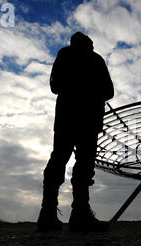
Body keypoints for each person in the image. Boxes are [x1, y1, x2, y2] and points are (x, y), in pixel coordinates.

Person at [37, 32, 114, 232]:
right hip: (85, 120)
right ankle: (76, 214)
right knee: (79, 164)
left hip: (70, 119)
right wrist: (89, 89)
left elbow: (55, 86)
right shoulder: (94, 59)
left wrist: (75, 87)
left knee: (64, 161)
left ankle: (51, 215)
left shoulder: (66, 55)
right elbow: (108, 91)